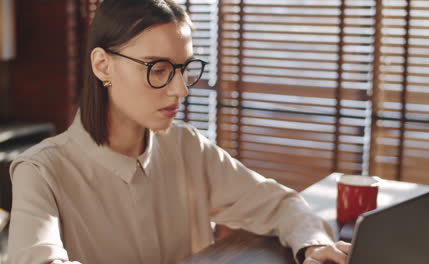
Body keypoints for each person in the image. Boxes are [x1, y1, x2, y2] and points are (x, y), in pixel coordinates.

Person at [7, 0, 350, 263]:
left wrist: (314, 245)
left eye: (184, 69)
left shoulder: (187, 147)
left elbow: (281, 205)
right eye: (158, 69)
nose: (181, 90)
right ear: (102, 65)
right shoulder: (41, 171)